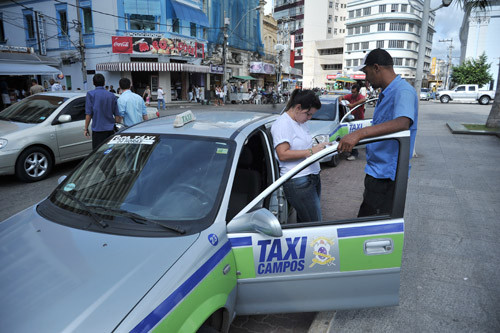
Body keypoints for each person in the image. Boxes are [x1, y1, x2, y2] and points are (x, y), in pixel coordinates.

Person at [338, 48, 418, 217]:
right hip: (377, 171)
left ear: (376, 68)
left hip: (387, 176)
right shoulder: (386, 93)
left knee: (371, 227)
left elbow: (402, 122)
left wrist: (359, 134)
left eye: (366, 73)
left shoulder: (402, 91)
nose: (366, 79)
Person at [271, 89, 329, 223]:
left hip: (311, 176)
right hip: (298, 180)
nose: (309, 118)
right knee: (314, 223)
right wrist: (311, 152)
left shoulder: (300, 122)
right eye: (308, 114)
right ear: (298, 108)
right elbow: (283, 154)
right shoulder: (283, 124)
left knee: (306, 221)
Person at [84, 74, 121, 149]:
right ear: (104, 83)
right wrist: (117, 126)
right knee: (109, 151)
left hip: (98, 130)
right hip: (110, 129)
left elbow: (88, 114)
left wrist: (86, 128)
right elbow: (117, 115)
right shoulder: (111, 95)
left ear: (93, 83)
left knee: (98, 153)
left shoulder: (90, 94)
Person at [338, 83, 367, 161]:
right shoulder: (350, 96)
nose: (352, 94)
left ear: (358, 92)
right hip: (351, 119)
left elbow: (364, 100)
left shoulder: (361, 97)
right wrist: (341, 102)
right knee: (350, 136)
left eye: (354, 92)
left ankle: (354, 153)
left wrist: (352, 105)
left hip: (359, 120)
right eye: (352, 92)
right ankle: (349, 150)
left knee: (356, 138)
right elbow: (341, 97)